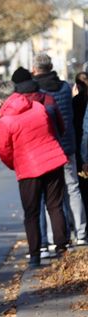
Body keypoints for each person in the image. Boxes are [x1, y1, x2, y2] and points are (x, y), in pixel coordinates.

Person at [0, 80, 68, 266]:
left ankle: (35, 256)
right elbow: (52, 130)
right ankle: (62, 249)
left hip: (28, 169)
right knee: (55, 206)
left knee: (32, 213)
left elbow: (3, 150)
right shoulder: (37, 106)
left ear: (0, 100)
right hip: (53, 161)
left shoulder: (4, 121)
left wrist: (16, 164)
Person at [32, 53, 87, 247]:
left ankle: (55, 237)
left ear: (35, 68)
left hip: (47, 148)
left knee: (51, 195)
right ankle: (81, 233)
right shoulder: (64, 87)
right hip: (68, 144)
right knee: (73, 189)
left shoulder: (36, 90)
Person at [73, 72, 88, 221]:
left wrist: (83, 158)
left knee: (83, 189)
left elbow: (83, 131)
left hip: (81, 151)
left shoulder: (75, 102)